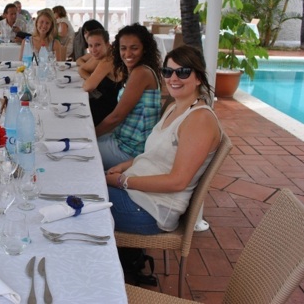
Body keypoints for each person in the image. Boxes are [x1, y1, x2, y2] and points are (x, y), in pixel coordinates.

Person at [105, 46, 222, 234]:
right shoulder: (174, 108)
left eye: (183, 72)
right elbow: (157, 155)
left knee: (79, 201)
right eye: (168, 71)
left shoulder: (199, 120)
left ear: (198, 78)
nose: (173, 78)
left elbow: (177, 182)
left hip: (150, 209)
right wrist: (125, 165)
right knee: (81, 185)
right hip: (136, 193)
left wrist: (123, 181)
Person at [96, 23, 162, 168]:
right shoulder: (136, 71)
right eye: (123, 48)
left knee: (79, 151)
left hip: (130, 151)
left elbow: (116, 117)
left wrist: (91, 135)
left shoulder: (141, 73)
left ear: (144, 49)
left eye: (134, 48)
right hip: (121, 140)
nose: (127, 54)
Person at [81, 28, 122, 126]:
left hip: (109, 112)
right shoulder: (104, 56)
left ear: (108, 44)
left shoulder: (108, 60)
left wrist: (92, 80)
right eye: (90, 46)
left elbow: (88, 87)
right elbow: (82, 69)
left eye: (98, 45)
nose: (93, 50)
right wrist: (92, 78)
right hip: (106, 104)